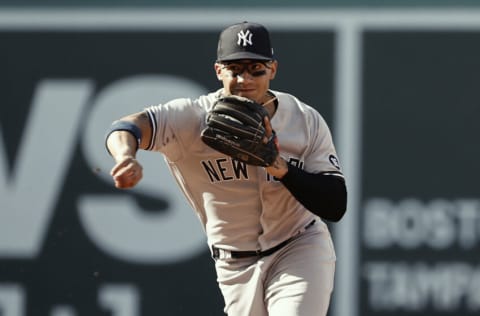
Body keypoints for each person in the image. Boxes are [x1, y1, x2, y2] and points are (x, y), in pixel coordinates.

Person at [105, 21, 347, 316]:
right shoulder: (193, 118)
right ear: (219, 70)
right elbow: (126, 126)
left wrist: (279, 167)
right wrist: (124, 156)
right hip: (235, 263)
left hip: (298, 246)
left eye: (255, 68)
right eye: (235, 69)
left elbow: (335, 204)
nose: (245, 78)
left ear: (272, 69)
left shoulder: (304, 120)